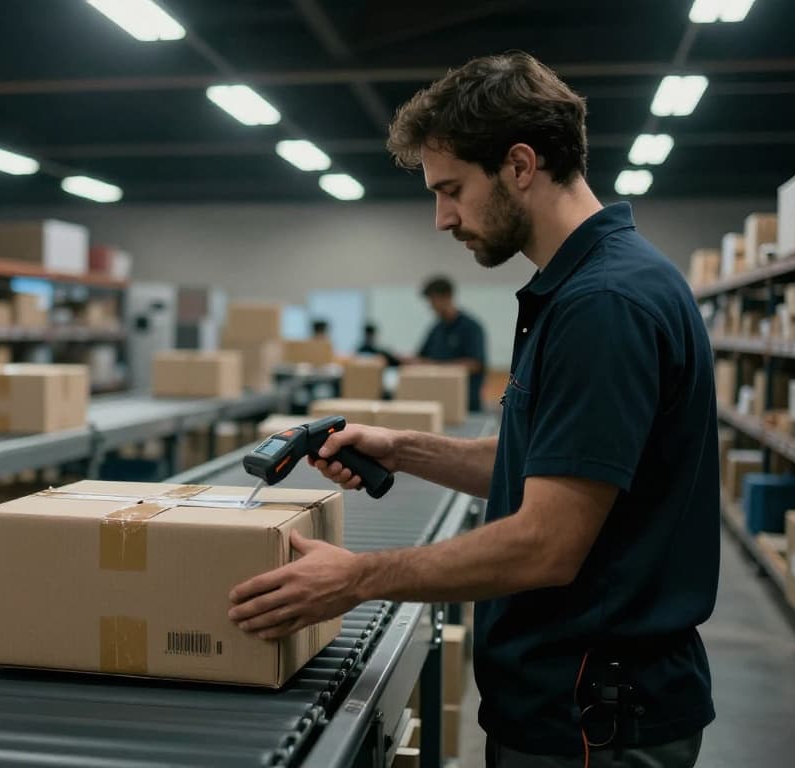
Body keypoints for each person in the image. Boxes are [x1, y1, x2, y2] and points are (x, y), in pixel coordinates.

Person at [228, 51, 716, 768]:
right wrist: (403, 447)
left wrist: (354, 579)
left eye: (451, 189)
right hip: (573, 705)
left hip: (594, 720)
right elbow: (545, 465)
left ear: (520, 165)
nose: (440, 217)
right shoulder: (581, 288)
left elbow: (547, 542)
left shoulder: (602, 306)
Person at [415, 276, 487, 411]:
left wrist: (437, 367)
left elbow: (475, 364)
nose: (431, 305)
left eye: (433, 299)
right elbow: (422, 358)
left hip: (465, 404)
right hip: (438, 401)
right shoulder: (436, 329)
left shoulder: (471, 327)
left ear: (447, 296)